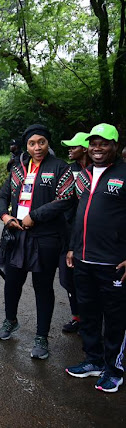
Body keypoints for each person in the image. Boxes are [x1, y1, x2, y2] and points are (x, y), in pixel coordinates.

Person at [0, 124, 75, 360]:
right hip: (17, 235)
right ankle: (11, 320)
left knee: (42, 287)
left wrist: (35, 217)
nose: (37, 147)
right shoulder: (18, 168)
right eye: (32, 143)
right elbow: (2, 196)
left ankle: (41, 336)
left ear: (48, 143)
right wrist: (5, 216)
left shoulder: (60, 168)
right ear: (26, 146)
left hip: (46, 238)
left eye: (41, 142)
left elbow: (66, 200)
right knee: (12, 281)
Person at [65, 123, 126, 393]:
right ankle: (94, 361)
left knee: (115, 319)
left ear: (115, 146)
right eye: (94, 143)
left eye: (104, 143)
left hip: (113, 263)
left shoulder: (124, 173)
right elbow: (82, 216)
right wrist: (72, 248)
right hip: (83, 259)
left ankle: (115, 370)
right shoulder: (85, 174)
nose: (97, 148)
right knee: (88, 314)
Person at [59, 131, 92, 333]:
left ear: (85, 149)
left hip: (91, 234)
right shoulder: (68, 170)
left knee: (88, 281)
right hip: (68, 232)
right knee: (67, 279)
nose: (70, 149)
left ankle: (92, 320)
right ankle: (77, 317)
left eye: (74, 146)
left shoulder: (99, 171)